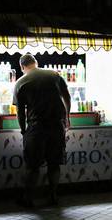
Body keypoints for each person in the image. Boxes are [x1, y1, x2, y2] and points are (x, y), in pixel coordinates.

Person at [13, 53, 71, 207]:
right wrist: (67, 117)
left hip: (36, 128)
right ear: (36, 62)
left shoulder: (21, 82)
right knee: (54, 164)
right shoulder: (54, 75)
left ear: (22, 67)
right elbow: (67, 97)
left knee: (32, 166)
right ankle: (53, 196)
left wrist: (23, 130)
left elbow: (20, 111)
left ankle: (29, 198)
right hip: (56, 126)